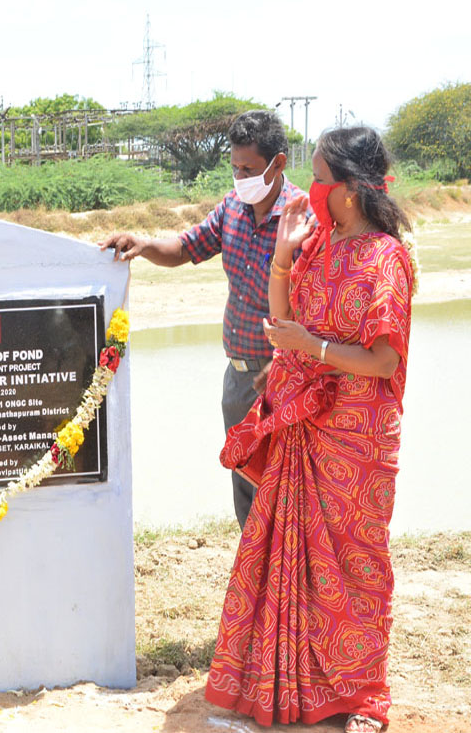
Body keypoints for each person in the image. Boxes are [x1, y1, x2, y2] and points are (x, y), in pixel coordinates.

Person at [207, 126, 415, 733]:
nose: (310, 190)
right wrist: (283, 255)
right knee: (288, 558)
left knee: (353, 565)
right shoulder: (318, 243)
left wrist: (313, 346)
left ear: (350, 188)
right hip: (305, 426)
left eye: (320, 179)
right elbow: (282, 324)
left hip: (358, 435)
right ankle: (290, 689)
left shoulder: (386, 258)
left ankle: (360, 697)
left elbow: (384, 361)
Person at [100, 110, 306, 528]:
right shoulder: (232, 208)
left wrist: (289, 362)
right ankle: (253, 567)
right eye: (235, 168)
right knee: (246, 485)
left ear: (278, 164)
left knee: (285, 492)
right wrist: (143, 245)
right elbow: (185, 248)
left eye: (249, 169)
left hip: (286, 378)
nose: (240, 177)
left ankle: (284, 569)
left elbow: (315, 306)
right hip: (240, 380)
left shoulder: (301, 219)